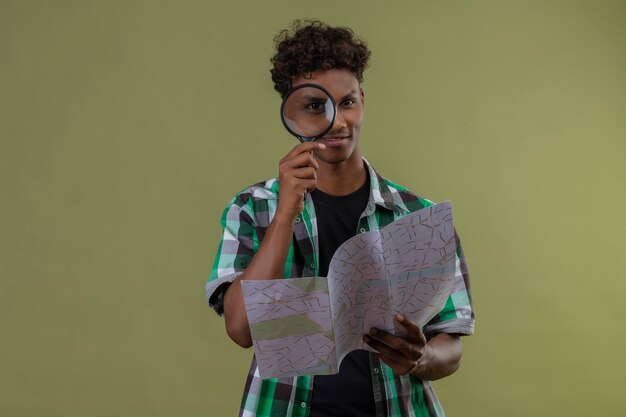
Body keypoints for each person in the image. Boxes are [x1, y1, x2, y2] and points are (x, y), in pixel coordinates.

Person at [206, 20, 474, 417]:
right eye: (316, 106)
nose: (336, 122)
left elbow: (450, 346)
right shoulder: (253, 207)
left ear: (362, 100)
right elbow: (242, 329)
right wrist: (285, 215)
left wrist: (420, 358)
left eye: (346, 102)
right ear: (291, 114)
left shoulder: (418, 215)